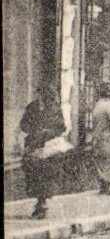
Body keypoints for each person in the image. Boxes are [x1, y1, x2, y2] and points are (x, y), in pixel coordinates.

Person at [19, 85, 68, 220]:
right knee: (34, 176)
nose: (40, 97)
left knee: (45, 176)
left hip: (48, 149)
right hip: (34, 147)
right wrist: (35, 131)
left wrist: (48, 132)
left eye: (43, 94)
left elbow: (62, 127)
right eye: (39, 94)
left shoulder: (55, 109)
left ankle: (41, 203)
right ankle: (40, 203)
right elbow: (23, 124)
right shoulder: (32, 107)